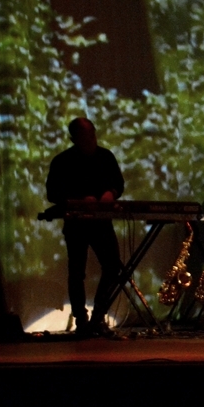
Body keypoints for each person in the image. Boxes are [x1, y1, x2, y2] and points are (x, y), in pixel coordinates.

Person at [45, 118, 125, 336]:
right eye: (85, 137)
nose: (91, 140)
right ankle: (81, 320)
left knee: (112, 267)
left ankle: (98, 316)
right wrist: (79, 200)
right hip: (76, 224)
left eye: (92, 135)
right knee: (77, 272)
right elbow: (53, 193)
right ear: (74, 139)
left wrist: (111, 193)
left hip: (101, 223)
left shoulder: (105, 157)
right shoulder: (63, 161)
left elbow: (118, 184)